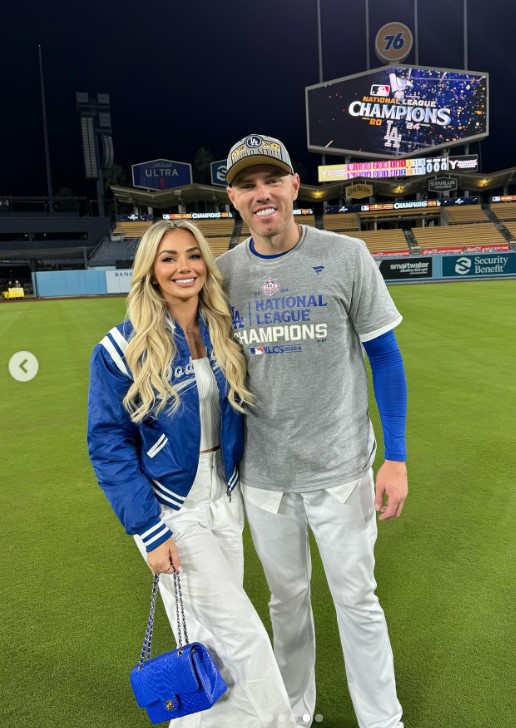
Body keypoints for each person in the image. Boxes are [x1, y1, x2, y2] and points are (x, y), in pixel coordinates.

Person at [217, 134, 409, 728]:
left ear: (294, 186)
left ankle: (382, 720)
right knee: (286, 603)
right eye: (247, 185)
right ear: (233, 198)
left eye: (271, 180)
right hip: (265, 475)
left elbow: (386, 358)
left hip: (342, 467)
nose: (262, 194)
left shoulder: (347, 256)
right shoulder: (222, 275)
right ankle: (293, 715)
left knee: (357, 600)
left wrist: (396, 456)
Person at [87, 219, 296, 727]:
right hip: (170, 510)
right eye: (168, 258)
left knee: (203, 639)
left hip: (224, 497)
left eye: (192, 255)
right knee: (243, 631)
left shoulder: (223, 328)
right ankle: (279, 721)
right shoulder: (120, 348)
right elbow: (108, 446)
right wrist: (149, 530)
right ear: (150, 273)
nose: (184, 267)